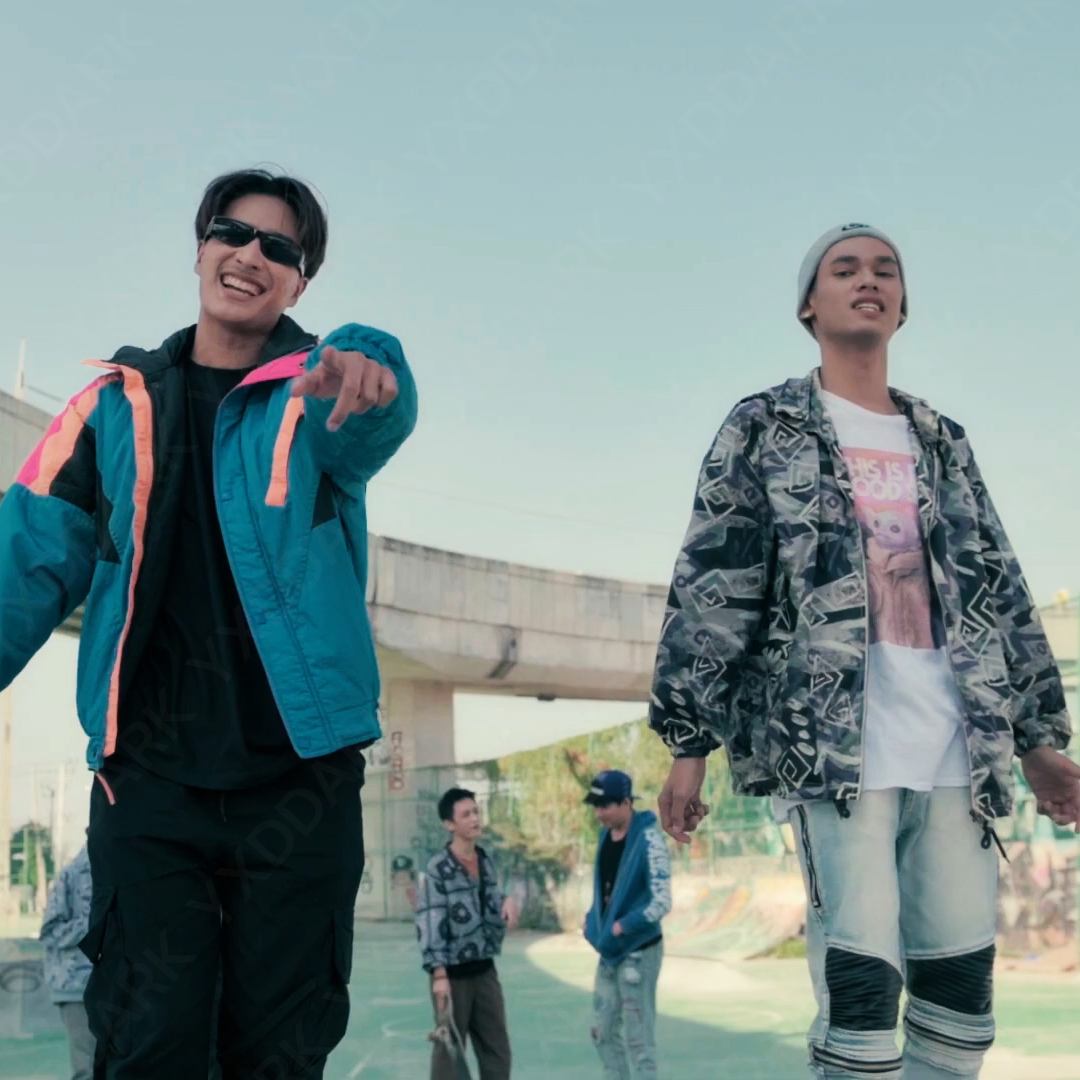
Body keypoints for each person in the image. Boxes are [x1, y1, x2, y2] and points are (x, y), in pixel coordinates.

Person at [0, 167, 418, 1078]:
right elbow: (21, 565)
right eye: (233, 232)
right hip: (149, 789)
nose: (250, 254)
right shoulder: (110, 407)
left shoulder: (319, 391)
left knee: (280, 1054)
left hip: (299, 786)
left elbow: (375, 417)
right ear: (200, 250)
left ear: (299, 282)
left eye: (280, 247)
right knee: (147, 1046)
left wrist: (365, 356)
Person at [649, 222, 1080, 1080]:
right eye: (844, 269)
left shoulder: (942, 439)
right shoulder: (764, 426)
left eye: (886, 269)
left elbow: (999, 586)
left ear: (903, 304)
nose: (868, 279)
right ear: (809, 305)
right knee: (861, 1012)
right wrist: (688, 745)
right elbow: (714, 583)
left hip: (959, 753)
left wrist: (1038, 741)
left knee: (961, 1011)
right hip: (835, 756)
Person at [416, 787, 518, 1080]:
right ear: (449, 824)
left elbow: (490, 900)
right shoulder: (438, 869)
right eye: (466, 814)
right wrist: (439, 975)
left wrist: (506, 901)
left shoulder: (485, 861)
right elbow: (430, 919)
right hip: (452, 976)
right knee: (449, 1055)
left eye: (476, 812)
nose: (474, 819)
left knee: (497, 1052)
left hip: (485, 971)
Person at [582, 769, 671, 1080]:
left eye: (605, 805)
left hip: (639, 952)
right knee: (602, 1032)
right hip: (610, 952)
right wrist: (592, 921)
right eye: (595, 805)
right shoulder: (604, 836)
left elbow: (662, 901)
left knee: (639, 1042)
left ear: (626, 803)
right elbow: (606, 891)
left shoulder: (650, 840)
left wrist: (624, 926)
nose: (599, 812)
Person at [40, 840, 95, 1080]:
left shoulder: (123, 873)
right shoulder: (72, 875)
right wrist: (92, 924)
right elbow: (50, 932)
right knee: (87, 1068)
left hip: (118, 985)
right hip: (76, 987)